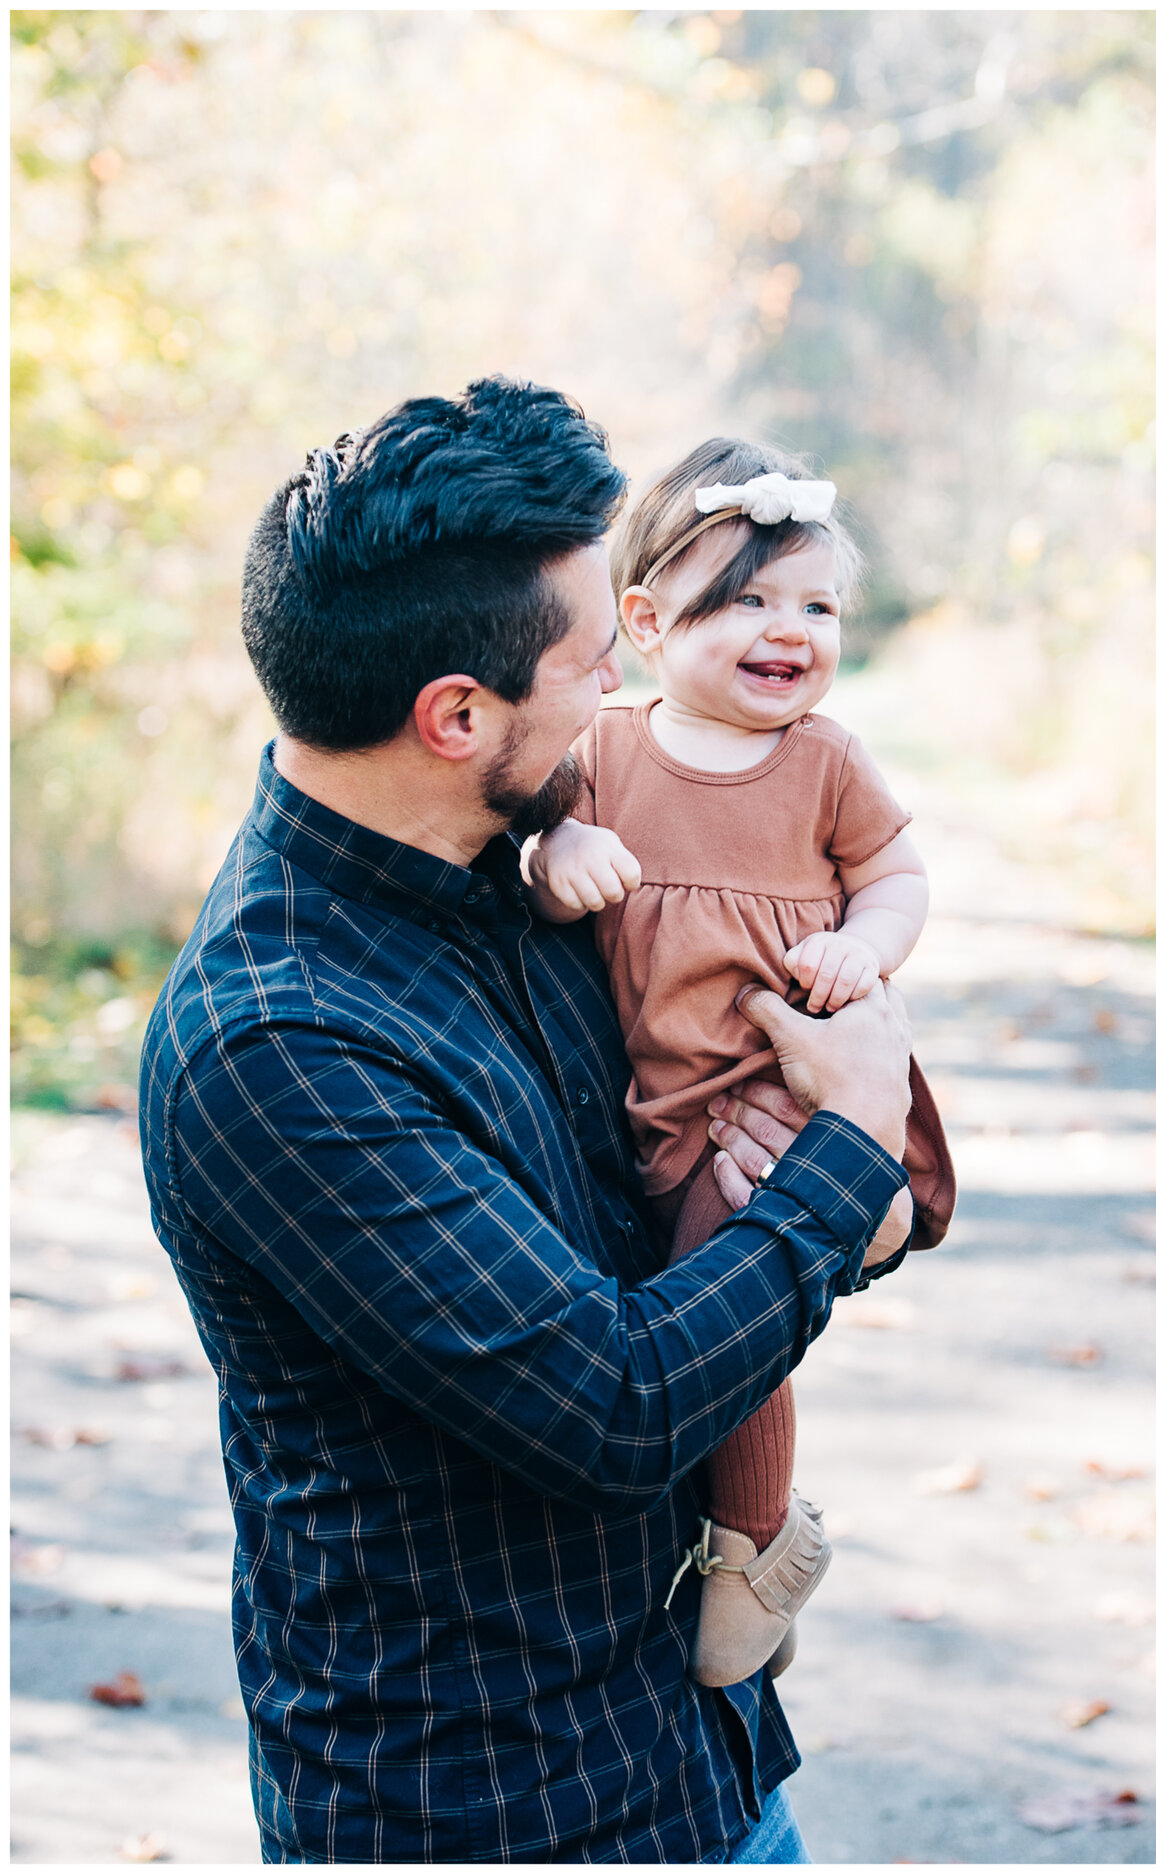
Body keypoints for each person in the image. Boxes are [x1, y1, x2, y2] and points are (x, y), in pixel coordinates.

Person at [138, 378, 908, 1862]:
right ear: (457, 715)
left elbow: (681, 1209)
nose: (622, 691)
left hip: (700, 1758)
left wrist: (829, 1197)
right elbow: (612, 1401)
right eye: (595, 662)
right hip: (495, 1804)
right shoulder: (284, 1044)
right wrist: (847, 1152)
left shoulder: (536, 864)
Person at [519, 436, 956, 1687]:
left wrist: (862, 948)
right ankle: (735, 1523)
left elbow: (897, 875)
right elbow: (533, 862)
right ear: (647, 619)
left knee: (722, 1302)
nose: (790, 629)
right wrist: (556, 867)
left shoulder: (825, 760)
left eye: (815, 605)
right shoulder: (605, 749)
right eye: (749, 600)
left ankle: (753, 1543)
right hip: (653, 1101)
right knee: (664, 1290)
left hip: (772, 1084)